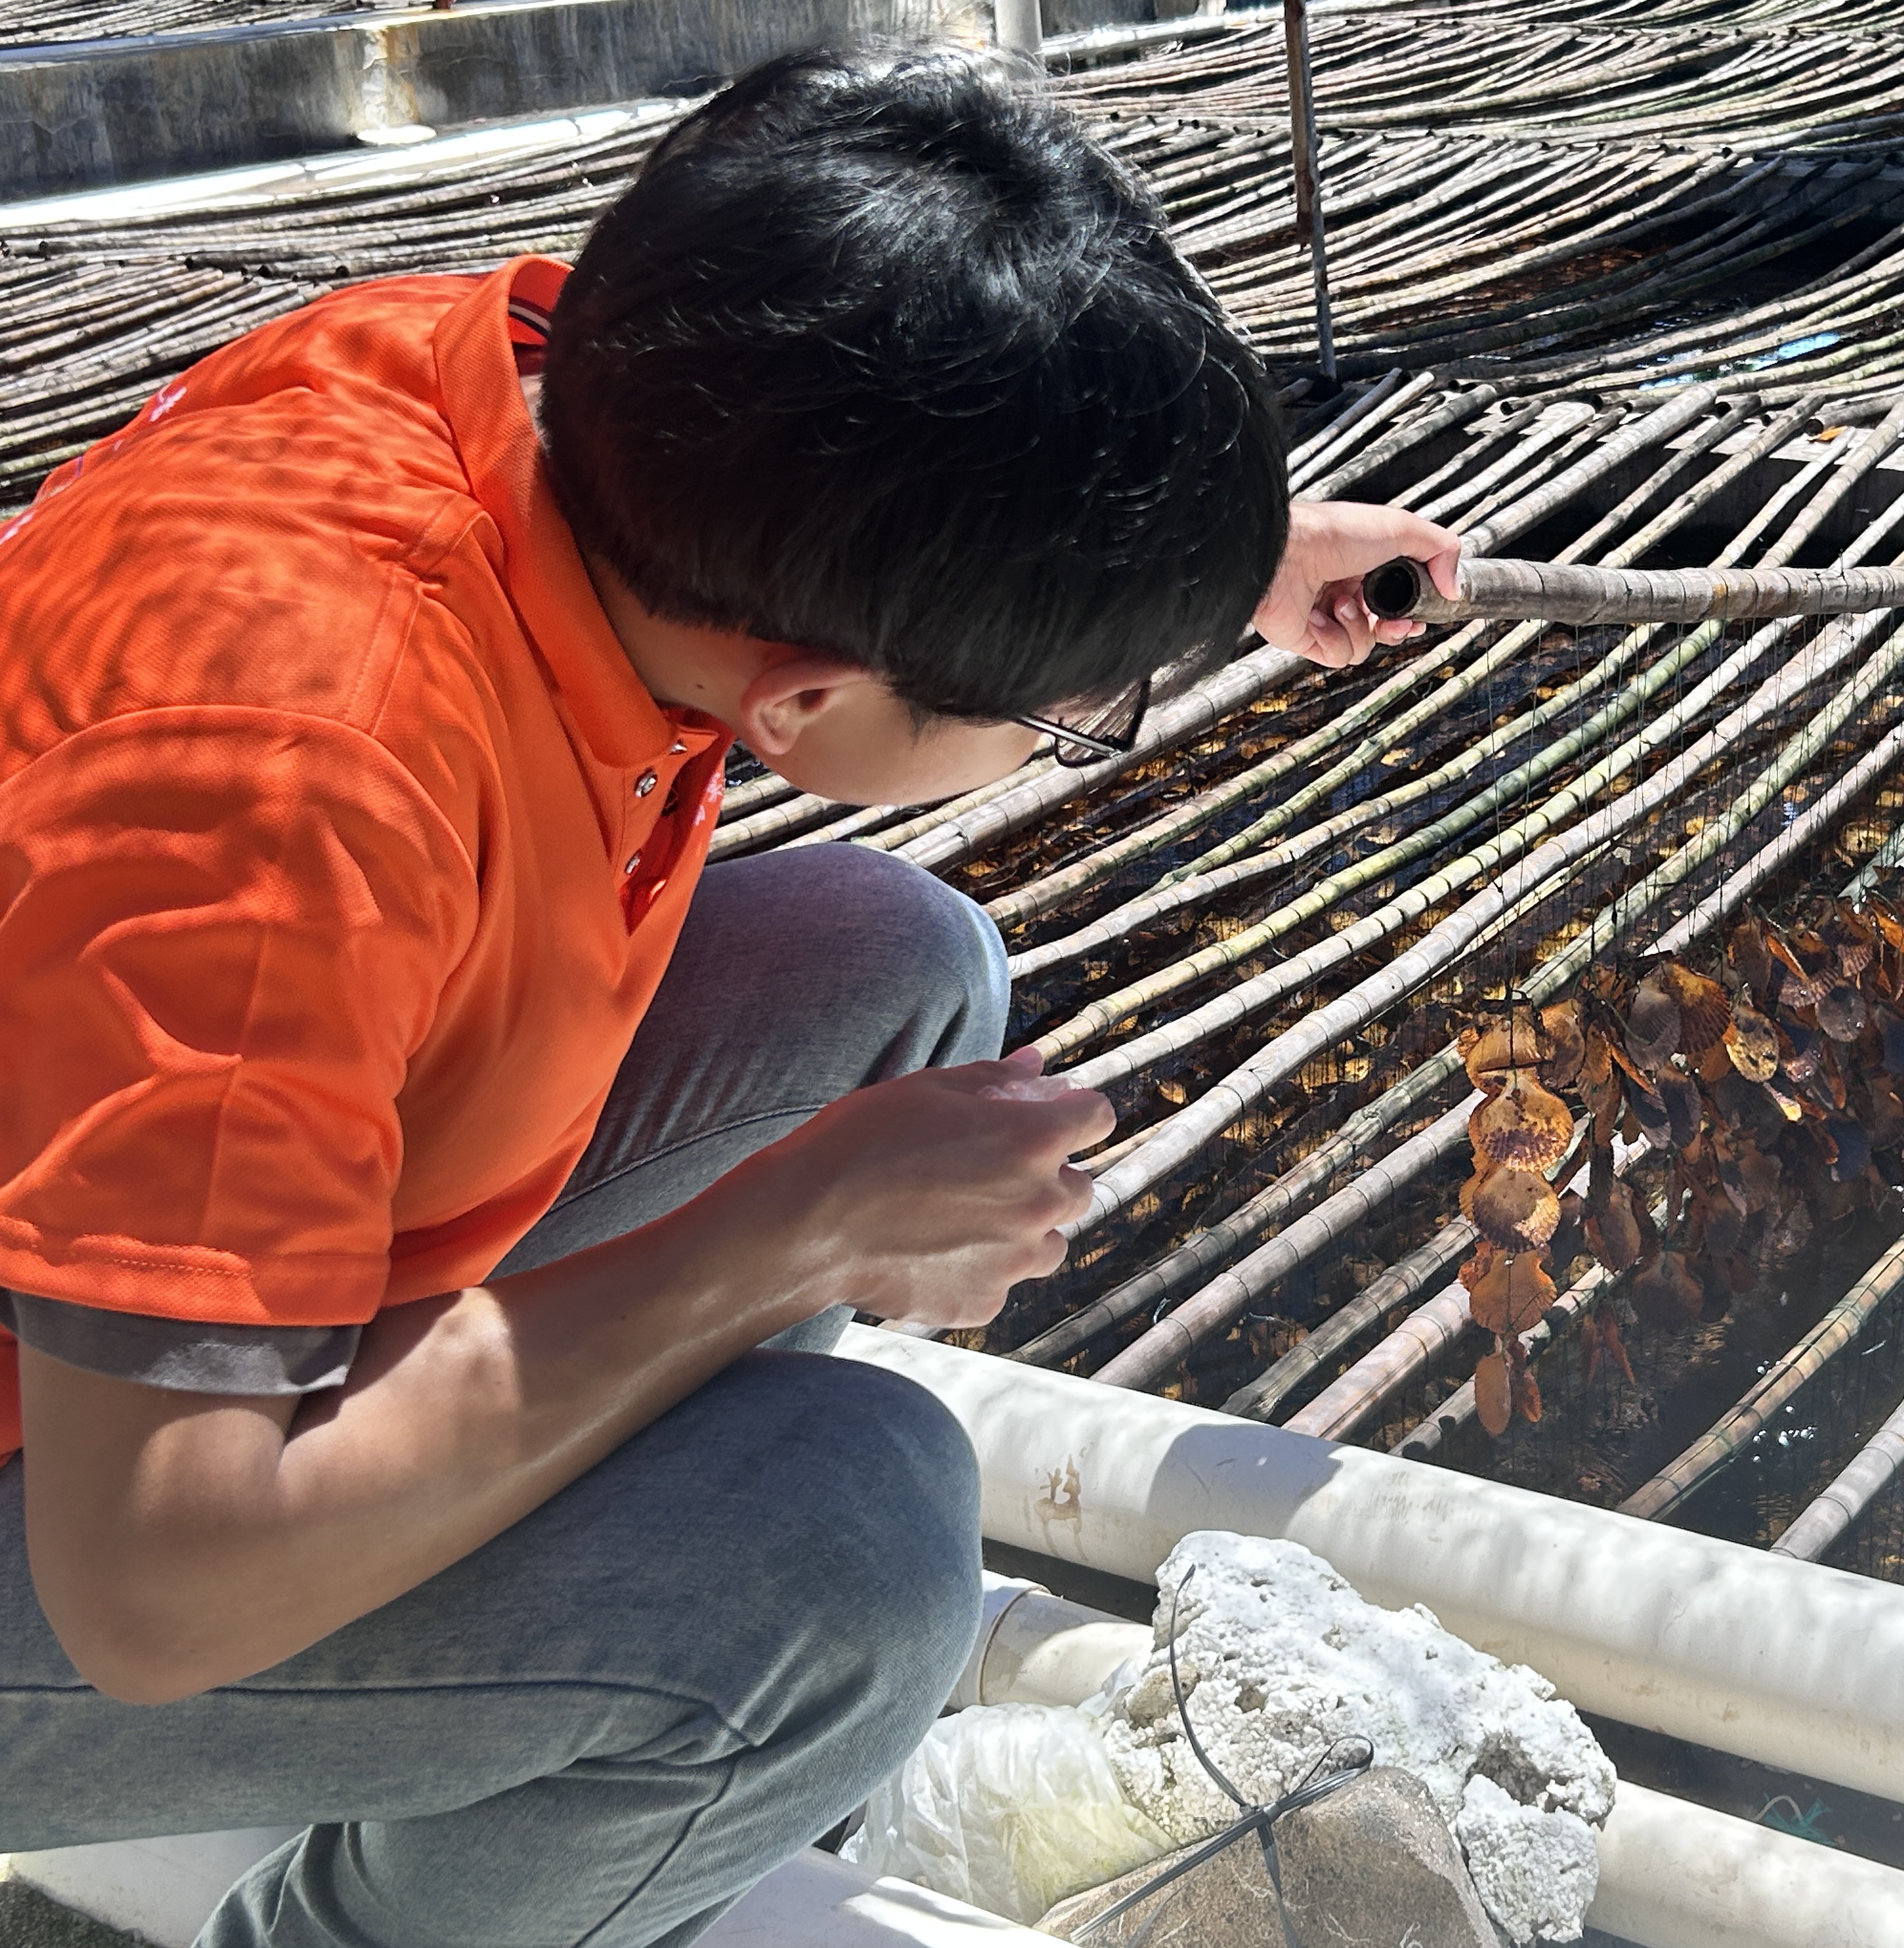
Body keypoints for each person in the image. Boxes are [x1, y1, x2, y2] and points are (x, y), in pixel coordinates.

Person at [0, 44, 1458, 1948]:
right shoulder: (288, 794)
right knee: (840, 1560)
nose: (1075, 723)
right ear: (804, 703)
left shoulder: (531, 395)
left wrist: (1202, 566)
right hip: (110, 1525)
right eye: (1070, 710)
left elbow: (854, 443)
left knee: (889, 969)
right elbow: (153, 1587)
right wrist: (789, 1232)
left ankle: (546, 1702)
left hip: (125, 1320)